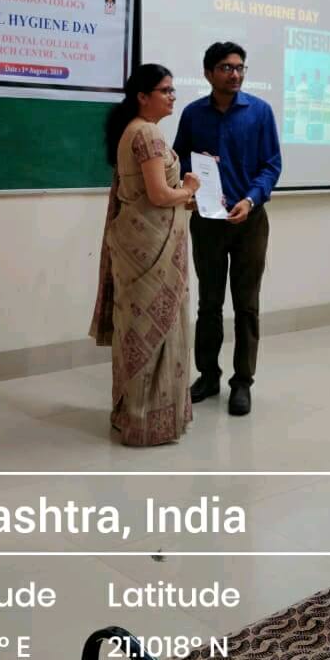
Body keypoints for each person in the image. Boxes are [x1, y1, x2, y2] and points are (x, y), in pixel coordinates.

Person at [90, 64, 200, 446]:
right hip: (152, 249)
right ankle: (149, 421)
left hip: (137, 245)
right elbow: (158, 194)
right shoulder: (148, 133)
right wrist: (189, 189)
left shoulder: (132, 130)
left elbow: (145, 193)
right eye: (165, 90)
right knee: (158, 329)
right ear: (142, 96)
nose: (172, 96)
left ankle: (130, 414)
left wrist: (182, 197)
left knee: (135, 329)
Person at [174, 42, 282, 417]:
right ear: (208, 73)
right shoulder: (192, 114)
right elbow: (179, 159)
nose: (234, 74)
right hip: (207, 222)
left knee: (247, 305)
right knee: (209, 303)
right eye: (226, 68)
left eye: (239, 68)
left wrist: (250, 199)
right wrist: (190, 186)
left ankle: (242, 382)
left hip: (250, 220)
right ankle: (208, 375)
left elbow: (271, 165)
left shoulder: (260, 112)